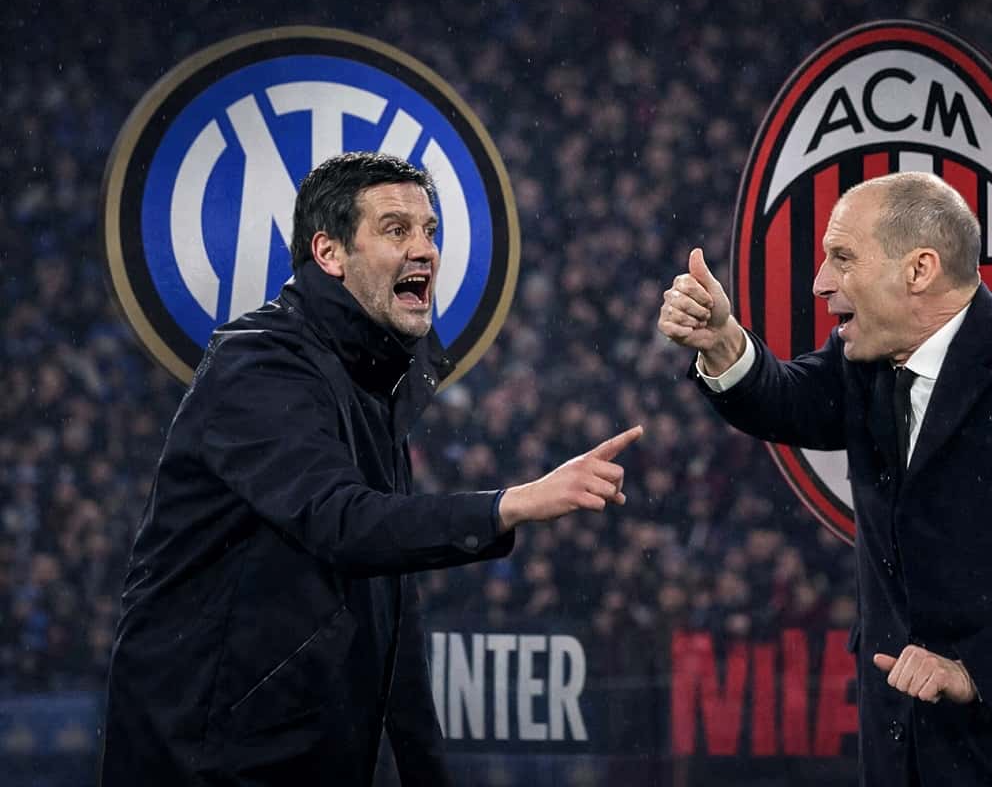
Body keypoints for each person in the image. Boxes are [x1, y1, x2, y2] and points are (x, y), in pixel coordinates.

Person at [100, 152, 642, 786]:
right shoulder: (259, 365)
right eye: (395, 229)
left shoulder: (371, 381)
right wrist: (509, 504)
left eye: (429, 230)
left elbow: (392, 610)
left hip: (295, 762)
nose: (424, 250)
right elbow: (340, 522)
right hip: (203, 764)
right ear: (329, 253)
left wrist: (425, 771)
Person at [658, 171, 992, 785]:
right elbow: (786, 399)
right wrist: (723, 343)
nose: (820, 282)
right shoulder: (865, 363)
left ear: (919, 269)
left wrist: (975, 670)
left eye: (843, 258)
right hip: (902, 758)